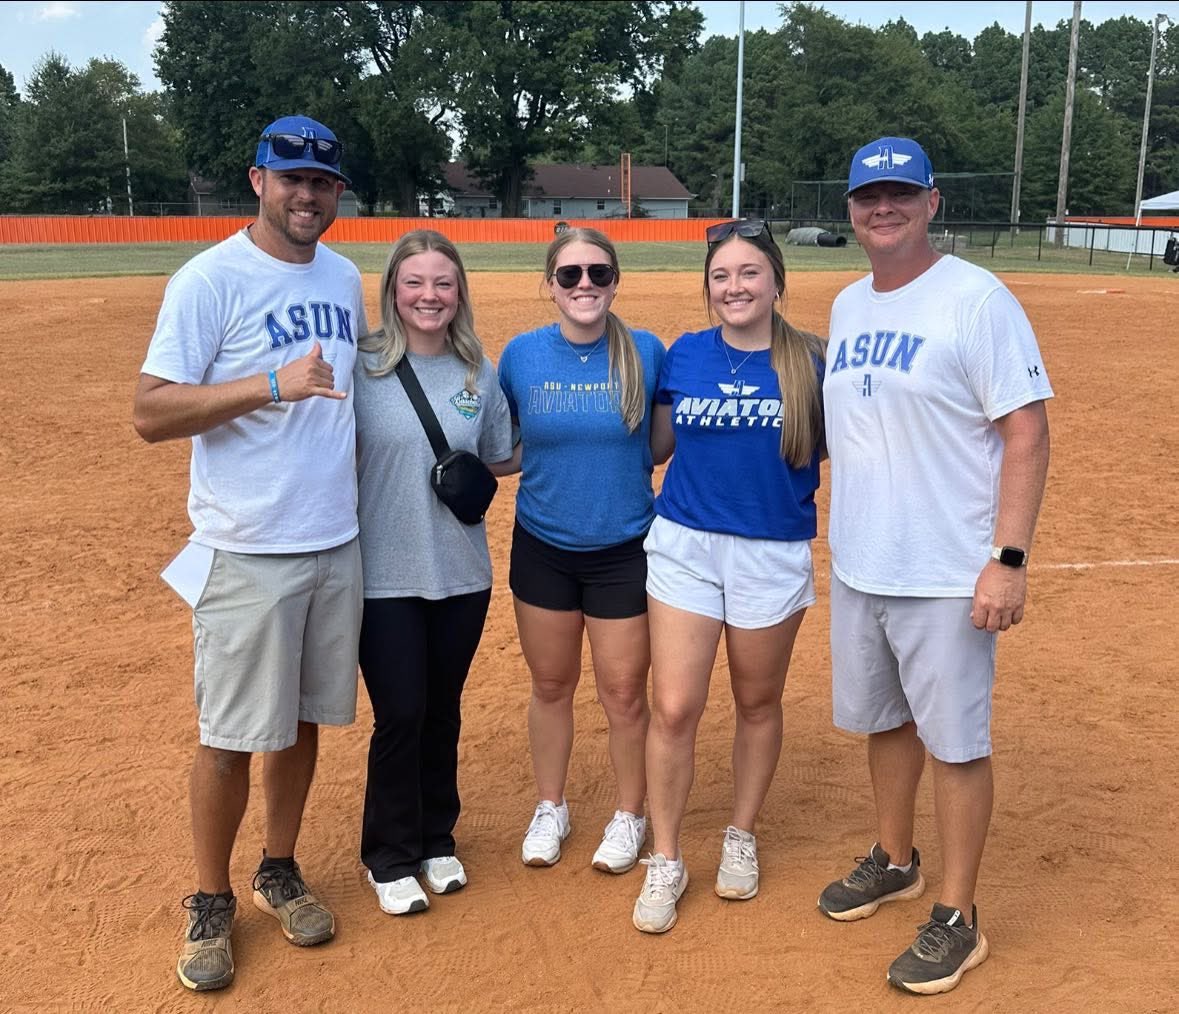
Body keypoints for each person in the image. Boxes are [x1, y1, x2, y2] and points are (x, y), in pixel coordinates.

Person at [132, 115, 364, 992]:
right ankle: (210, 898)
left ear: (337, 192)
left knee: (302, 723)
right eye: (291, 177)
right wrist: (270, 384)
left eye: (322, 181)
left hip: (333, 543)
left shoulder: (343, 278)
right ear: (258, 180)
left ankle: (279, 866)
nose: (306, 194)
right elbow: (151, 413)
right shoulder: (209, 279)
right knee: (229, 736)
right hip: (247, 549)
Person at [817, 136, 1052, 995]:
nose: (883, 208)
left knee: (954, 742)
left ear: (931, 201)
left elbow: (1025, 432)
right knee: (884, 721)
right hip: (862, 564)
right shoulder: (846, 305)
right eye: (868, 195)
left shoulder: (976, 300)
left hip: (948, 571)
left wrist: (1007, 559)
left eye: (899, 194)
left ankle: (957, 913)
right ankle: (894, 857)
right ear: (849, 208)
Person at [632, 220, 825, 934]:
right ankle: (667, 856)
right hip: (684, 543)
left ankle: (739, 834)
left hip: (770, 549)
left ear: (776, 281)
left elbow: (845, 451)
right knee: (675, 706)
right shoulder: (684, 354)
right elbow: (656, 443)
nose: (733, 287)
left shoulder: (811, 361)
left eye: (748, 273)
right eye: (720, 276)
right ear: (706, 286)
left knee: (755, 701)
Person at [353, 230, 514, 915]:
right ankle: (387, 855)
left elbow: (503, 456)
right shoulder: (360, 365)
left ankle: (434, 838)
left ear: (459, 293)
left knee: (441, 711)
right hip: (381, 574)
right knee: (402, 713)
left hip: (460, 573)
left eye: (442, 283)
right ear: (392, 289)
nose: (429, 295)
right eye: (414, 282)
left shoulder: (478, 369)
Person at [497, 227, 666, 874]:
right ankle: (551, 805)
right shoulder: (519, 356)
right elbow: (506, 444)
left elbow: (655, 446)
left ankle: (629, 813)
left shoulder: (645, 352)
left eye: (598, 273)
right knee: (550, 684)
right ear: (549, 285)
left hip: (623, 547)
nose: (584, 285)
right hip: (542, 545)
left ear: (615, 280)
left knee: (623, 693)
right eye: (569, 275)